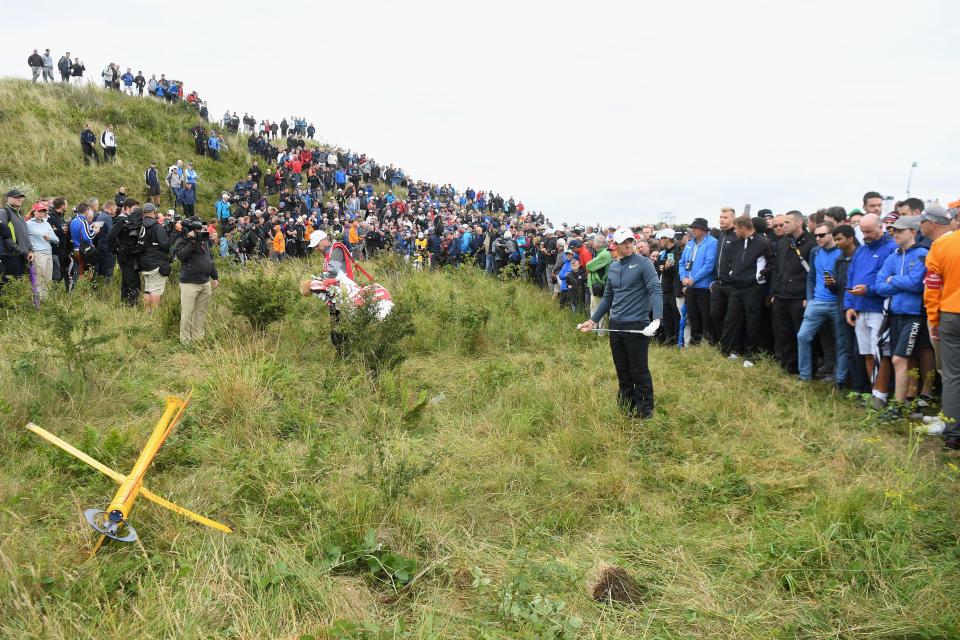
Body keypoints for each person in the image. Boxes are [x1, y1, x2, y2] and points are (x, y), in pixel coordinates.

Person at [577, 227, 663, 419]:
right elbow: (608, 297)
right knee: (622, 370)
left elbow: (655, 290)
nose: (628, 245)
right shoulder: (614, 266)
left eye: (630, 241)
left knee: (639, 370)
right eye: (623, 242)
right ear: (615, 245)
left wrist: (656, 319)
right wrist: (592, 320)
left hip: (637, 325)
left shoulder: (644, 264)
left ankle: (644, 411)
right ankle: (625, 407)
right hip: (616, 325)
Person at [844, 213, 897, 409]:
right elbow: (851, 277)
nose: (865, 235)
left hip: (878, 307)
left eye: (869, 231)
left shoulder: (891, 248)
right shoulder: (861, 250)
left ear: (880, 227)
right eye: (862, 231)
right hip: (859, 308)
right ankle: (874, 391)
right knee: (866, 352)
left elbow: (888, 280)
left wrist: (870, 290)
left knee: (880, 353)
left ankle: (881, 395)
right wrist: (849, 305)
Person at [875, 216, 928, 410]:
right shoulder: (893, 256)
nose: (894, 234)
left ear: (913, 232)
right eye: (893, 231)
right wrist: (897, 282)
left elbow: (916, 285)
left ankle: (899, 404)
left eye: (900, 230)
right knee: (898, 359)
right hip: (895, 313)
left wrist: (892, 280)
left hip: (914, 315)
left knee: (899, 359)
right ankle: (901, 404)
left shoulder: (922, 253)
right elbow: (879, 286)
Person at [923, 208, 960, 447]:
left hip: (951, 314)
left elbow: (932, 287)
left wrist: (933, 320)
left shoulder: (941, 247)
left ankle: (954, 434)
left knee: (953, 375)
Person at [796, 221, 846, 385]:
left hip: (836, 303)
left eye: (821, 235)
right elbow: (810, 277)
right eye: (815, 235)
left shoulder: (841, 252)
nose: (817, 238)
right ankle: (804, 377)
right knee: (803, 336)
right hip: (817, 302)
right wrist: (810, 299)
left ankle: (840, 380)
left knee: (840, 341)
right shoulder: (815, 252)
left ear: (832, 234)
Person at [720, 216, 773, 365]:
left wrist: (760, 275)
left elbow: (772, 263)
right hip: (736, 287)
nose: (735, 231)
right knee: (733, 319)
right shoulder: (736, 243)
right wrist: (732, 273)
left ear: (743, 228)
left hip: (754, 288)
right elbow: (730, 260)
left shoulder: (763, 243)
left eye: (736, 228)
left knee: (752, 321)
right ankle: (734, 350)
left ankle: (751, 355)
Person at [770, 211, 815, 374]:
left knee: (800, 333)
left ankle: (804, 367)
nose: (783, 226)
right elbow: (776, 269)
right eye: (782, 223)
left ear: (799, 223)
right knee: (783, 332)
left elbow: (813, 274)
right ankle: (788, 365)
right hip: (781, 295)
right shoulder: (782, 243)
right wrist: (773, 293)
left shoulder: (811, 243)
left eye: (787, 222)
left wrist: (807, 296)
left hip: (799, 296)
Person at [828, 224, 870, 393]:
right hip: (843, 307)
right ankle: (857, 387)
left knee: (862, 350)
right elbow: (838, 287)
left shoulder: (862, 255)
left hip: (860, 307)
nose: (836, 243)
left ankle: (868, 388)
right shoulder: (839, 259)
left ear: (850, 238)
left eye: (839, 239)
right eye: (835, 239)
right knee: (849, 348)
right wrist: (831, 284)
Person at [174, 226, 219, 345]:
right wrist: (192, 242)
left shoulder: (203, 241)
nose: (200, 232)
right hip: (189, 283)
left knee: (201, 312)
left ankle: (198, 337)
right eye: (197, 230)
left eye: (201, 229)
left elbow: (209, 259)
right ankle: (185, 341)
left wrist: (214, 276)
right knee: (187, 312)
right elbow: (180, 256)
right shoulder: (182, 240)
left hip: (205, 282)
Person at [678, 217, 717, 344]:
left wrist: (693, 279)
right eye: (692, 228)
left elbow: (709, 265)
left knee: (706, 318)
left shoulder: (712, 243)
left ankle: (708, 345)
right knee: (693, 317)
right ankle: (694, 345)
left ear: (704, 230)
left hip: (704, 288)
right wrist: (683, 277)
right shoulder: (690, 243)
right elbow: (682, 262)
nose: (693, 230)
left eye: (696, 228)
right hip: (690, 288)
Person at [711, 207, 738, 347]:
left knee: (731, 318)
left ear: (733, 219)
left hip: (731, 285)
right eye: (721, 217)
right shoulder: (721, 235)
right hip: (718, 283)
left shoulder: (736, 236)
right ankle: (722, 343)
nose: (722, 219)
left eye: (725, 217)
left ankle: (730, 347)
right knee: (715, 314)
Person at [138, 204, 169, 311]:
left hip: (142, 262)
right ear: (153, 212)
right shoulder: (157, 227)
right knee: (155, 290)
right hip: (156, 263)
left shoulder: (139, 226)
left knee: (147, 289)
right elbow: (165, 245)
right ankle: (154, 314)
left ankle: (147, 312)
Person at [26, 205, 57, 299]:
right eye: (39, 211)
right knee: (39, 278)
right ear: (34, 211)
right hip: (38, 253)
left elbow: (57, 239)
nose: (42, 213)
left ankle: (46, 300)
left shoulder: (46, 224)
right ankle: (37, 301)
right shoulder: (28, 224)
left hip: (48, 253)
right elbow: (24, 239)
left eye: (44, 212)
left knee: (48, 278)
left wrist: (49, 237)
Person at [0, 190, 33, 279]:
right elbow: (4, 233)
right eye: (16, 197)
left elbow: (25, 234)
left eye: (21, 197)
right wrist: (16, 248)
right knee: (9, 285)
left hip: (22, 256)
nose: (19, 199)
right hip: (10, 256)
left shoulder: (21, 214)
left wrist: (30, 250)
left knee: (20, 284)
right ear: (8, 198)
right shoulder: (3, 212)